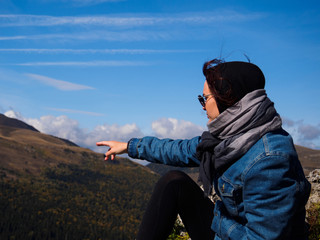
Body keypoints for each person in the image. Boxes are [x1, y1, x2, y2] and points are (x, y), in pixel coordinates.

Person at [96, 59, 311, 240]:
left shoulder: (269, 160)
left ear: (228, 98)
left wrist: (218, 219)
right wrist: (130, 146)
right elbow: (179, 149)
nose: (202, 106)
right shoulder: (228, 138)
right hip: (228, 230)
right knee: (174, 182)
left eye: (205, 98)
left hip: (237, 234)